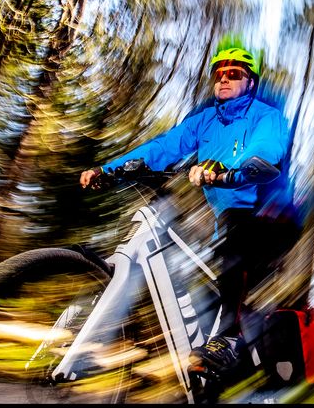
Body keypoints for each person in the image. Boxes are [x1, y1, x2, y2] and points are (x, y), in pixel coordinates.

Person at [80, 43, 300, 379]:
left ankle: (227, 338)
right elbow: (162, 147)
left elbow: (266, 150)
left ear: (250, 83)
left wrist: (224, 167)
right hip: (229, 221)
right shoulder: (205, 122)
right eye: (219, 74)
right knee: (199, 267)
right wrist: (109, 170)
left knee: (236, 238)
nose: (224, 79)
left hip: (271, 216)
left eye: (234, 74)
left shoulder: (266, 117)